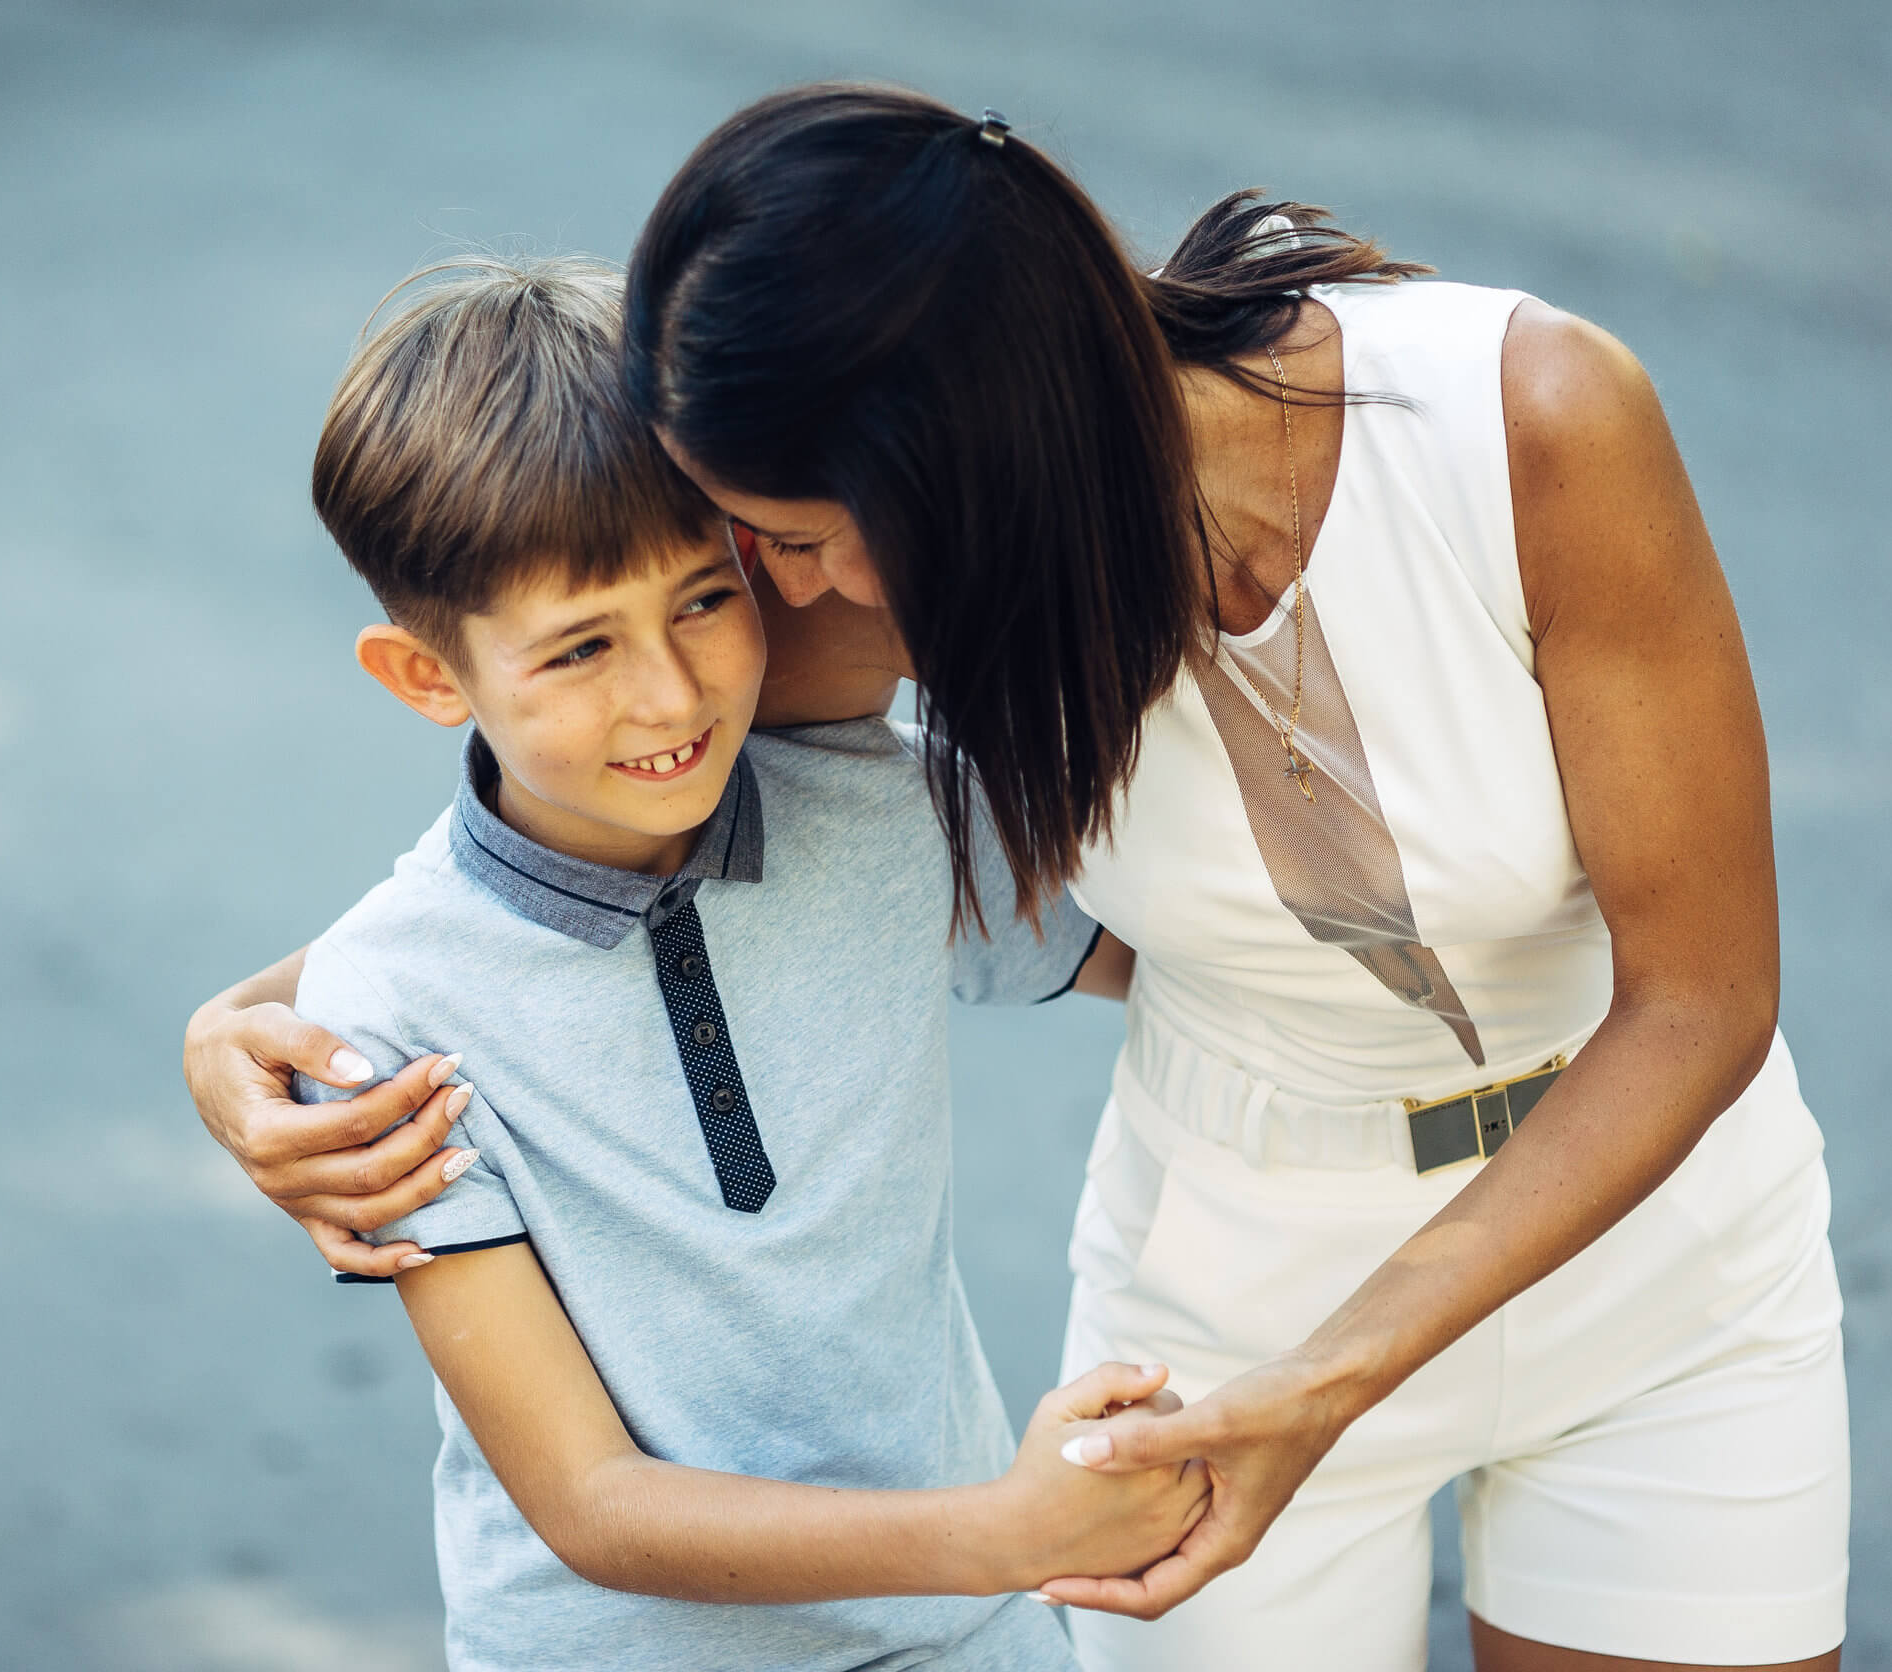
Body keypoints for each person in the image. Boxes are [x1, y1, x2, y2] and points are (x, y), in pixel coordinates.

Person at [186, 87, 1847, 1672]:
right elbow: (580, 872)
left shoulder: (1525, 419)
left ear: (963, 462)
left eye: (795, 542)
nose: (774, 608)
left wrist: (1328, 1383)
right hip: (1230, 1289)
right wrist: (252, 1031)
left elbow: (1700, 999)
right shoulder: (835, 606)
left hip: (1658, 1253)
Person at [280, 251, 1208, 1672]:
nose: (670, 693)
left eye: (703, 603)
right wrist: (1007, 1536)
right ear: (427, 678)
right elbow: (591, 1507)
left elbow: (1224, 952)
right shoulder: (388, 1012)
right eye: (580, 648)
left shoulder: (897, 811)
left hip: (968, 1639)